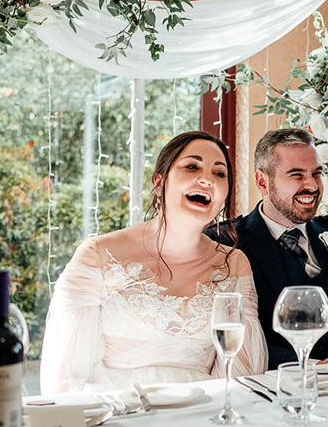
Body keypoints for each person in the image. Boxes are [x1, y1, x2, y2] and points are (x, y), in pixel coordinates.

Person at [40, 131, 267, 393]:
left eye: (219, 173)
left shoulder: (234, 264)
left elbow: (240, 375)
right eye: (192, 166)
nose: (206, 179)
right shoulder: (97, 254)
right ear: (159, 183)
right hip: (113, 414)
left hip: (202, 411)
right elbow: (65, 377)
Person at [206, 128, 328, 369]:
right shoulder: (224, 243)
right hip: (274, 390)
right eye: (297, 175)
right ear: (262, 181)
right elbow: (227, 339)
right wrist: (313, 366)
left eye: (316, 173)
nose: (312, 185)